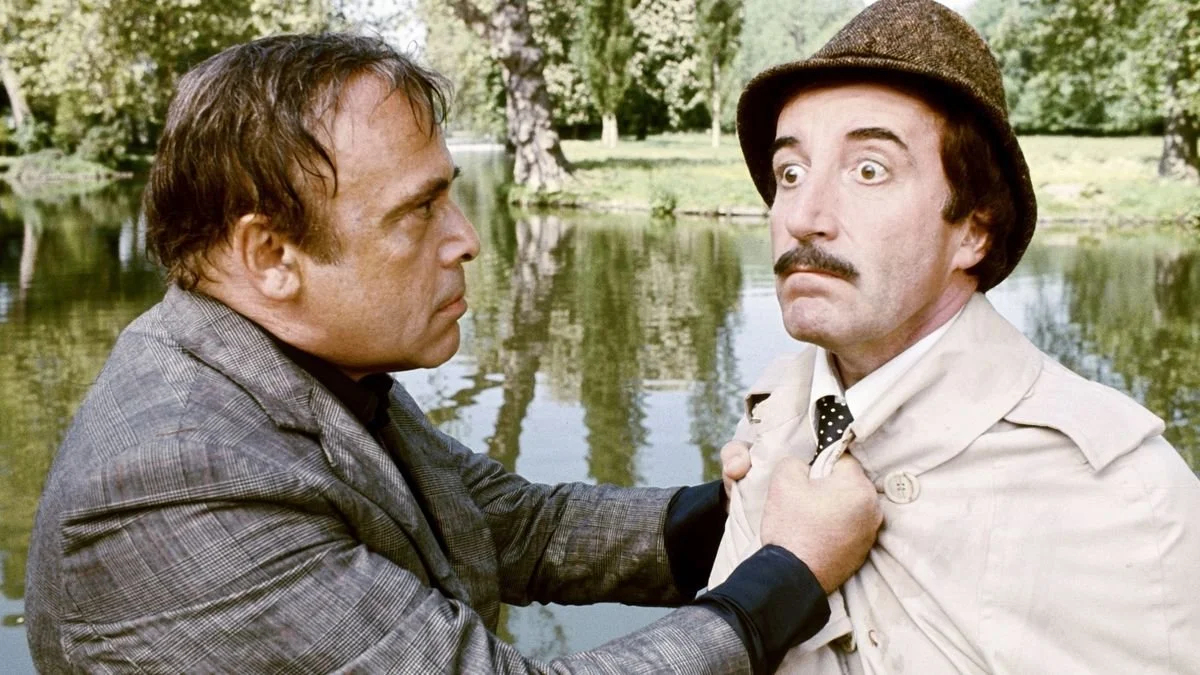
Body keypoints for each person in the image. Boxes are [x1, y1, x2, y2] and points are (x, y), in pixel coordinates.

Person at [24, 33, 884, 673]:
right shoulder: (176, 476)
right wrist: (786, 575)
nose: (467, 239)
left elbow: (514, 526)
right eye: (419, 210)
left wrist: (744, 506)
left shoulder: (293, 366)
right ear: (271, 255)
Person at [709, 0, 1200, 673]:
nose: (803, 215)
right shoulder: (771, 417)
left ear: (974, 229)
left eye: (869, 169)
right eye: (790, 173)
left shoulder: (1124, 495)